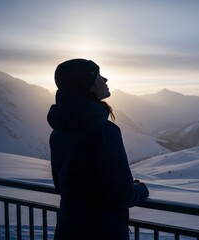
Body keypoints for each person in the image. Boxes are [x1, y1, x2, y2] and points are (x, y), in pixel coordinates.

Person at [47, 59, 149, 240]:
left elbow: (60, 184)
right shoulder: (104, 131)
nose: (106, 79)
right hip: (102, 231)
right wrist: (141, 190)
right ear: (88, 86)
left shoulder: (58, 131)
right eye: (99, 76)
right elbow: (122, 194)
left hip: (68, 228)